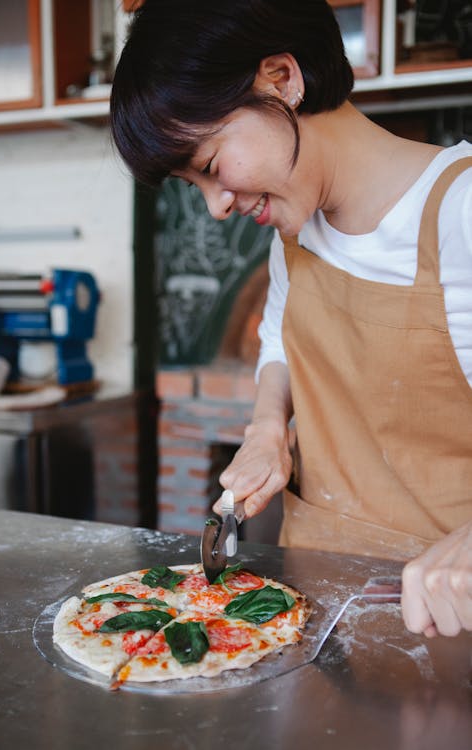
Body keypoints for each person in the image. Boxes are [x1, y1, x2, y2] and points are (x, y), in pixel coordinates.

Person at [110, 0, 472, 639]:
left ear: (282, 78)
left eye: (211, 165)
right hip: (316, 613)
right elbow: (279, 341)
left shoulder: (459, 213)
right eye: (191, 186)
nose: (216, 207)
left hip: (443, 620)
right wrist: (265, 430)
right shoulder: (295, 234)